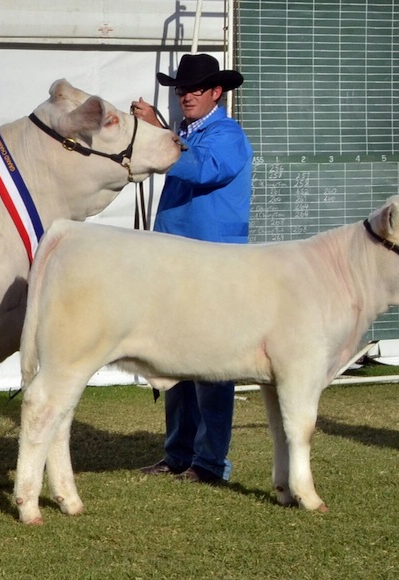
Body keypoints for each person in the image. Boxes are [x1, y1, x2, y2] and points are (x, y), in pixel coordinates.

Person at [130, 53, 253, 484]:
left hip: (214, 267)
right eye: (182, 90)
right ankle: (180, 455)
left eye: (196, 89)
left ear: (217, 92)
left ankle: (210, 462)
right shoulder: (187, 133)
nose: (187, 96)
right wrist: (162, 130)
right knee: (176, 362)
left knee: (212, 368)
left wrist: (157, 133)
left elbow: (201, 167)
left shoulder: (228, 134)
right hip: (180, 263)